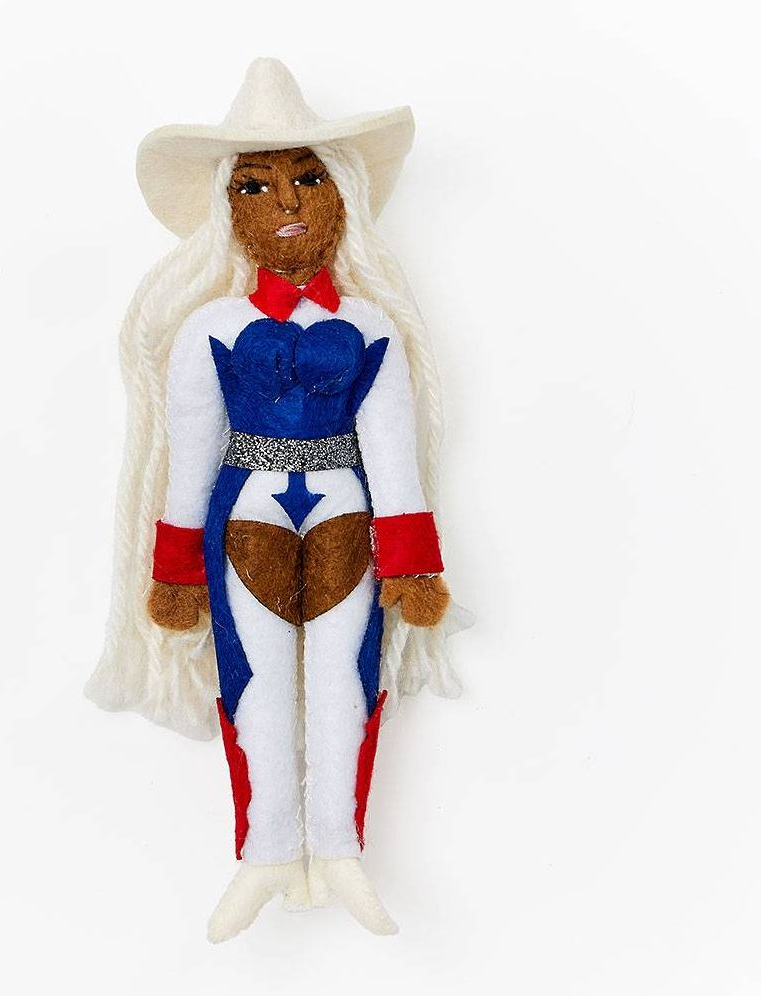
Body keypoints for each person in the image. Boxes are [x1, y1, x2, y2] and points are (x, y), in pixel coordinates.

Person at [86, 58, 464, 942]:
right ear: (230, 207)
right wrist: (175, 569)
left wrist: (413, 561)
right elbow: (187, 457)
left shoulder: (371, 326)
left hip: (347, 518)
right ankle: (266, 851)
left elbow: (395, 454)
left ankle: (339, 847)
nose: (287, 201)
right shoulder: (206, 330)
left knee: (347, 678)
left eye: (309, 179)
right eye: (257, 185)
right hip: (242, 523)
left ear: (343, 197)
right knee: (252, 683)